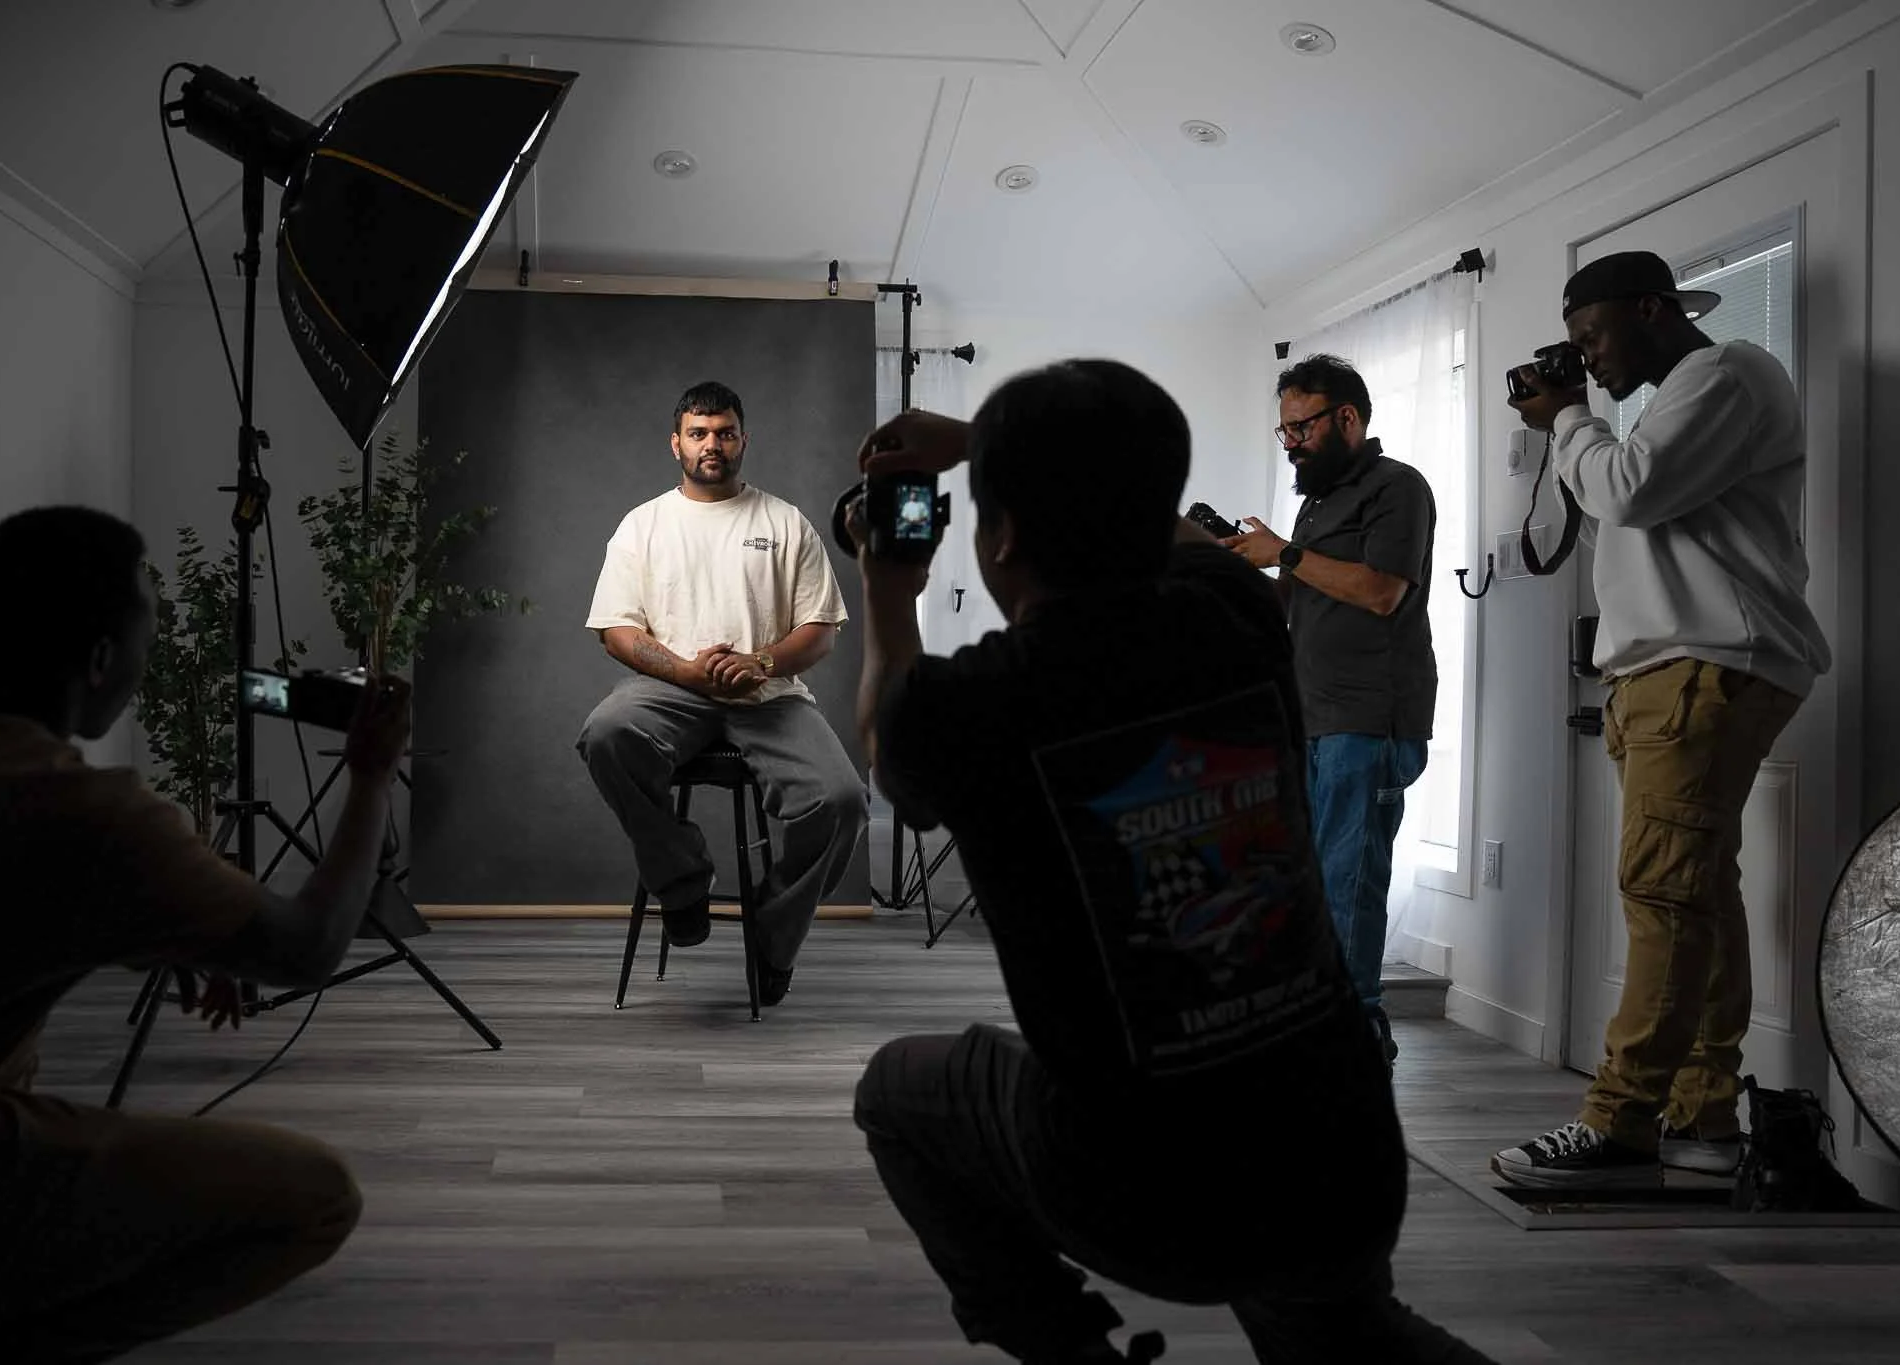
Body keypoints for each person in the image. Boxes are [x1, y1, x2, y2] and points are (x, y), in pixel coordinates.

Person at [848, 360, 1496, 1364]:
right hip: (1343, 1157)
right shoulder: (1237, 616)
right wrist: (994, 441)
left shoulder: (968, 707)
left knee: (896, 1092)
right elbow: (1164, 523)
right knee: (1343, 1329)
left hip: (1144, 1196)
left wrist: (888, 592)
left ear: (1002, 536)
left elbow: (891, 761)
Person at [0, 505, 416, 1360]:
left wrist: (161, 924)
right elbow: (307, 946)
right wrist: (373, 775)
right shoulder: (89, 817)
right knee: (315, 1197)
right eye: (146, 638)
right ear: (99, 661)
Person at [1494, 250, 1831, 1190]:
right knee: (1698, 896)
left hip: (1705, 666)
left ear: (1652, 309)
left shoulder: (1723, 373)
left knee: (1663, 894)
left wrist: (1566, 418)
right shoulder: (1672, 403)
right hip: (1666, 672)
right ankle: (1700, 1117)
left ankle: (1620, 1123)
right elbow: (1636, 513)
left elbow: (1629, 490)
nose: (1585, 360)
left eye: (1591, 337)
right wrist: (1574, 427)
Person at [578, 380, 868, 1004]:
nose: (713, 444)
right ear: (675, 442)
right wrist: (683, 671)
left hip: (770, 696)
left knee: (843, 800)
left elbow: (820, 631)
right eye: (699, 433)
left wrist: (760, 661)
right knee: (606, 733)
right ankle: (682, 882)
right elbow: (616, 630)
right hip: (672, 690)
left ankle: (774, 932)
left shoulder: (784, 521)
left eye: (725, 432)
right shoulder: (643, 525)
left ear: (743, 439)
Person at [1224, 354, 1437, 1066]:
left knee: (1349, 879)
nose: (1290, 443)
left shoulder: (1398, 488)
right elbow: (1296, 601)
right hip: (1311, 719)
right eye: (1282, 431)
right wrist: (1238, 565)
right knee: (1313, 879)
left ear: (1346, 417)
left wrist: (1284, 553)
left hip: (1371, 719)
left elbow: (1381, 591)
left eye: (1301, 427)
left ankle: (1352, 1032)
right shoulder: (1316, 501)